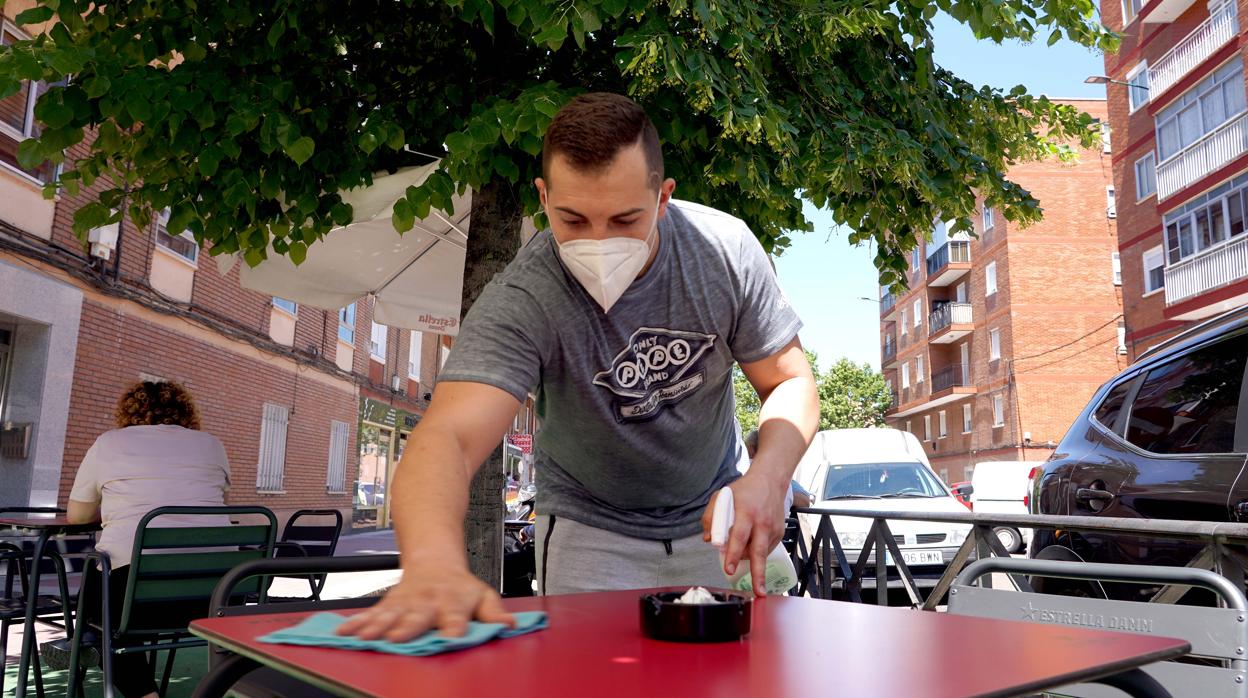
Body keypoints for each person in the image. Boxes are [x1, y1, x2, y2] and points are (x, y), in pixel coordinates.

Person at [340, 93, 818, 642]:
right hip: (590, 530)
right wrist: (430, 561)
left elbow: (789, 381)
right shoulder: (526, 294)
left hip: (721, 519)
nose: (598, 241)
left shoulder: (725, 252)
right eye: (572, 218)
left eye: (625, 218)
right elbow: (446, 434)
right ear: (543, 198)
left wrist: (768, 476)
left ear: (663, 199)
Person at [60, 381, 231, 698]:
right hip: (215, 594)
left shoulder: (109, 443)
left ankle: (86, 642)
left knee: (102, 619)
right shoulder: (212, 444)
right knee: (111, 607)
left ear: (128, 411)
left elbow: (77, 517)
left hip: (136, 596)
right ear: (185, 412)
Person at [744, 428, 813, 509]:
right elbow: (805, 501)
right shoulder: (779, 474)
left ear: (751, 449)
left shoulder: (738, 469)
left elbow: (804, 500)